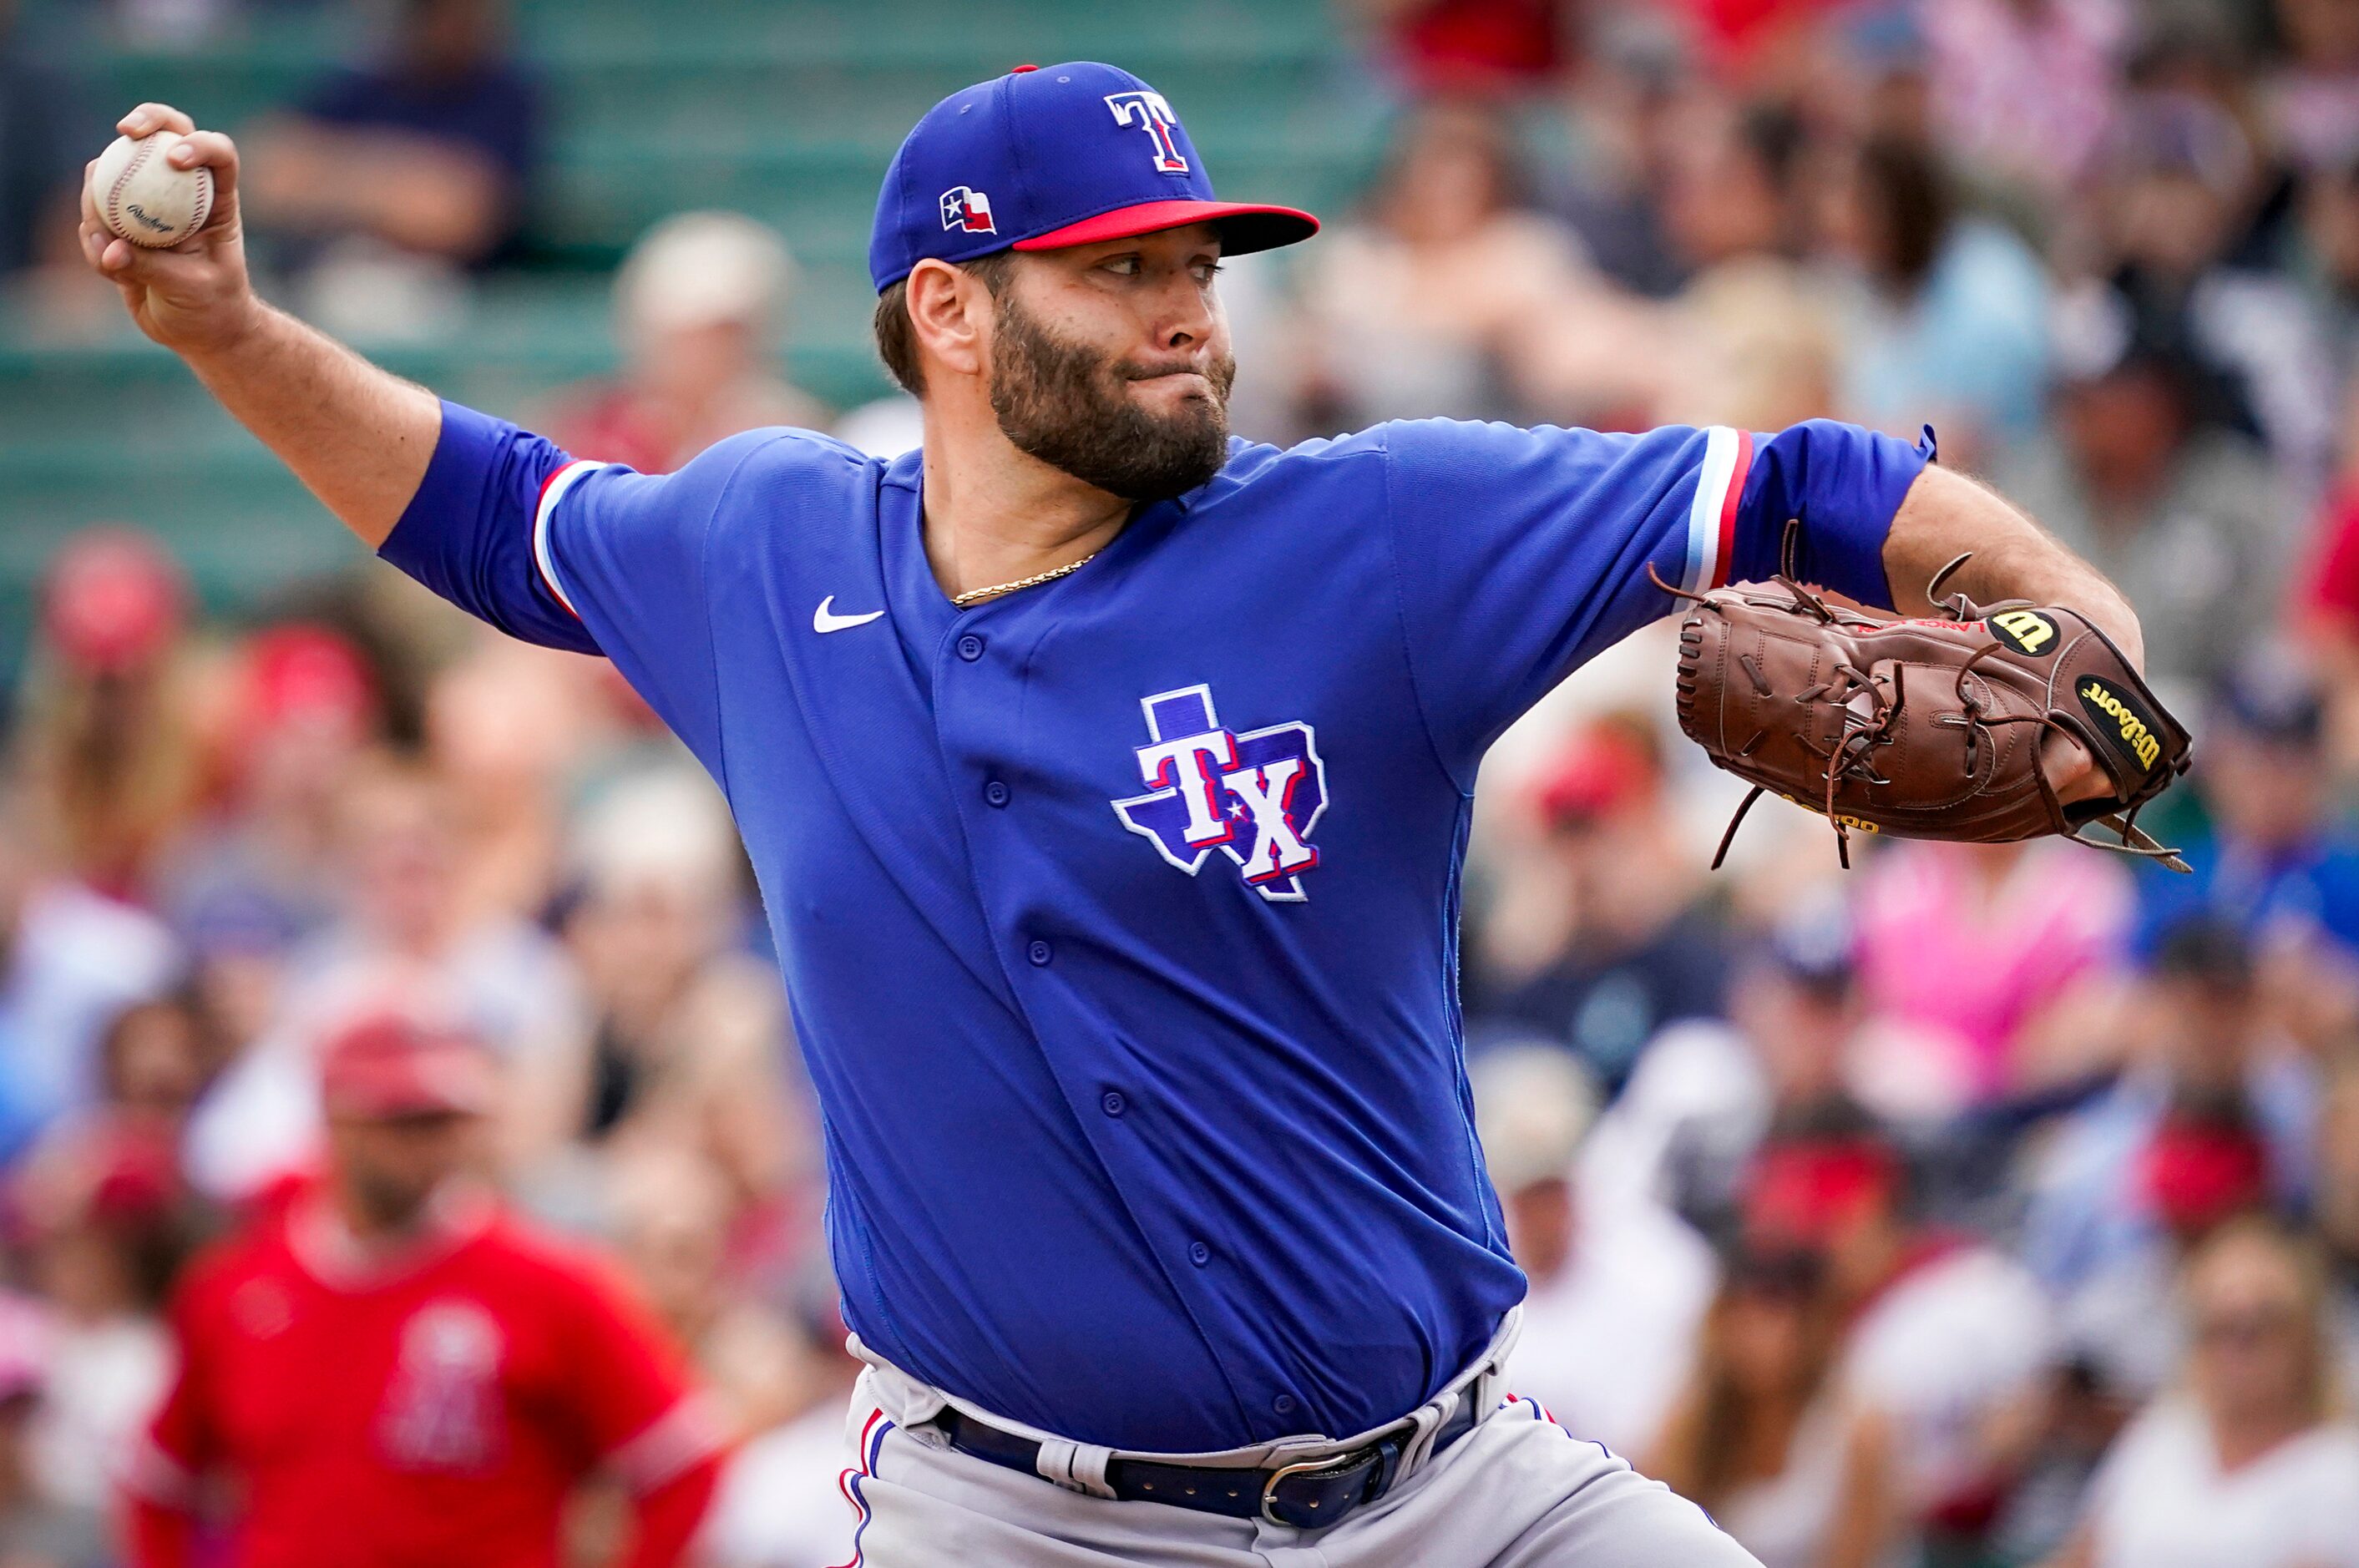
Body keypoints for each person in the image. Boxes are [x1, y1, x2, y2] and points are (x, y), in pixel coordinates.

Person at [82, 60, 2145, 1565]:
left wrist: (2076, 620)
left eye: (1198, 261)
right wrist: (232, 332)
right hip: (1018, 1519)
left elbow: (1797, 482)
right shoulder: (760, 550)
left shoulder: (1374, 535)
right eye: (1118, 268)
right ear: (950, 315)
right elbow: (491, 513)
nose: (1187, 309)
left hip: (1456, 1494)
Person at [117, 1009, 723, 1567]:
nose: (432, 1146)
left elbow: (684, 1462)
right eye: (403, 1121)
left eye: (445, 1120)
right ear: (337, 1118)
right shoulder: (235, 1289)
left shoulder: (548, 1284)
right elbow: (158, 1482)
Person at [2043, 1217, 2359, 1568]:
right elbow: (2081, 1556)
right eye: (2219, 1327)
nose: (2238, 1347)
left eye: (2260, 1325)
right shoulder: (2165, 1434)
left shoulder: (2337, 1472)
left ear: (2306, 1338)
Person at [548, 212, 828, 476]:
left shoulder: (794, 435)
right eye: (692, 336)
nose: (708, 354)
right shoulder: (592, 432)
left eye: (726, 336)